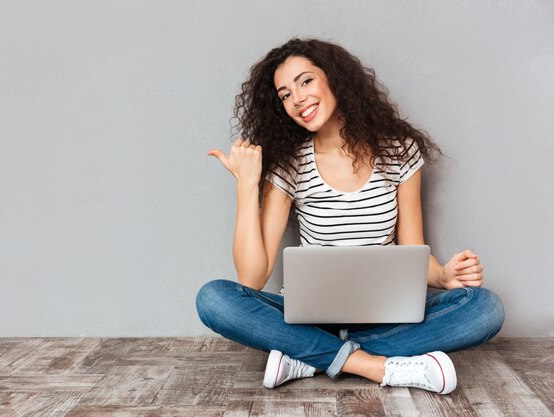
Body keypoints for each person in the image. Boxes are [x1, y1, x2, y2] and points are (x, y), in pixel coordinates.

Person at [196, 38, 504, 395]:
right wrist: (247, 186)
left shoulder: (399, 151)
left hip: (387, 319)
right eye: (284, 94)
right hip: (313, 320)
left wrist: (444, 275)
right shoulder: (289, 164)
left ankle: (311, 357)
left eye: (305, 81)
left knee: (485, 308)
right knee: (213, 298)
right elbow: (250, 279)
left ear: (335, 79)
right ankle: (373, 365)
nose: (297, 99)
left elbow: (413, 247)